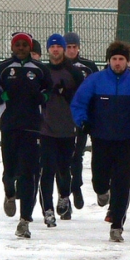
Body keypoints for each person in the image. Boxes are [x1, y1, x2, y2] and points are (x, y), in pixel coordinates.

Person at [71, 40, 130, 242]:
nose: (117, 63)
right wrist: (82, 121)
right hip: (101, 138)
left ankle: (117, 224)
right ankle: (102, 192)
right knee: (99, 179)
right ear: (109, 61)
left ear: (128, 62)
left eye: (121, 59)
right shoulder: (95, 81)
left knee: (122, 182)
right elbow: (78, 103)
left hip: (125, 139)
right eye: (114, 59)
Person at [0, 32, 53, 238]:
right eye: (17, 45)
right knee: (10, 170)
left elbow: (50, 89)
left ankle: (24, 221)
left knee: (29, 173)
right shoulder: (2, 69)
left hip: (32, 127)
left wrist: (43, 96)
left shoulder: (39, 69)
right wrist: (0, 96)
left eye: (24, 45)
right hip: (9, 126)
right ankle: (9, 193)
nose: (21, 48)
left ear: (30, 48)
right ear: (12, 47)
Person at [39, 33, 84, 226]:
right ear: (48, 49)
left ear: (64, 49)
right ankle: (47, 210)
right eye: (52, 46)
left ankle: (64, 195)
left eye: (59, 46)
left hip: (67, 128)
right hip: (46, 129)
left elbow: (82, 98)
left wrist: (67, 93)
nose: (55, 49)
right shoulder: (43, 71)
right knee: (46, 170)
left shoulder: (73, 72)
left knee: (64, 169)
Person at [63, 32, 99, 209]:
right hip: (60, 117)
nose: (71, 50)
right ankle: (65, 198)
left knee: (77, 155)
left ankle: (76, 187)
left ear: (78, 47)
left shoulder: (88, 67)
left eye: (74, 47)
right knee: (62, 158)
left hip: (82, 117)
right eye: (68, 47)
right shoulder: (56, 66)